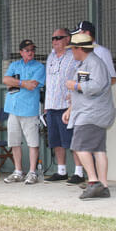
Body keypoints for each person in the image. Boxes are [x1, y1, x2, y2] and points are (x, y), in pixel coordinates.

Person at [62, 33, 116, 200]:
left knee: (79, 147)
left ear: (79, 49)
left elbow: (96, 86)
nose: (72, 52)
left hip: (92, 113)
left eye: (73, 49)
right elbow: (83, 92)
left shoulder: (94, 63)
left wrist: (75, 85)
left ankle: (93, 182)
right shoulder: (85, 63)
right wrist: (70, 109)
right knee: (99, 150)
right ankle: (104, 186)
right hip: (89, 111)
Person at [2, 40, 46, 185]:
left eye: (32, 50)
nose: (30, 52)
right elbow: (6, 79)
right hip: (13, 109)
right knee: (14, 142)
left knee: (33, 142)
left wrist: (18, 82)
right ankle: (18, 172)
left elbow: (34, 85)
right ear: (21, 52)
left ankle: (32, 172)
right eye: (27, 50)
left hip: (29, 109)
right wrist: (22, 83)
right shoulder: (15, 65)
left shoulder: (39, 67)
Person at [43, 28, 81, 183]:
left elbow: (81, 76)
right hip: (52, 105)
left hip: (67, 106)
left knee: (72, 140)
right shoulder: (50, 57)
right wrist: (46, 105)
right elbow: (48, 82)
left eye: (59, 37)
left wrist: (75, 97)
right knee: (56, 141)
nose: (55, 41)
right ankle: (61, 170)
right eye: (53, 38)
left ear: (68, 39)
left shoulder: (74, 56)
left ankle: (79, 172)